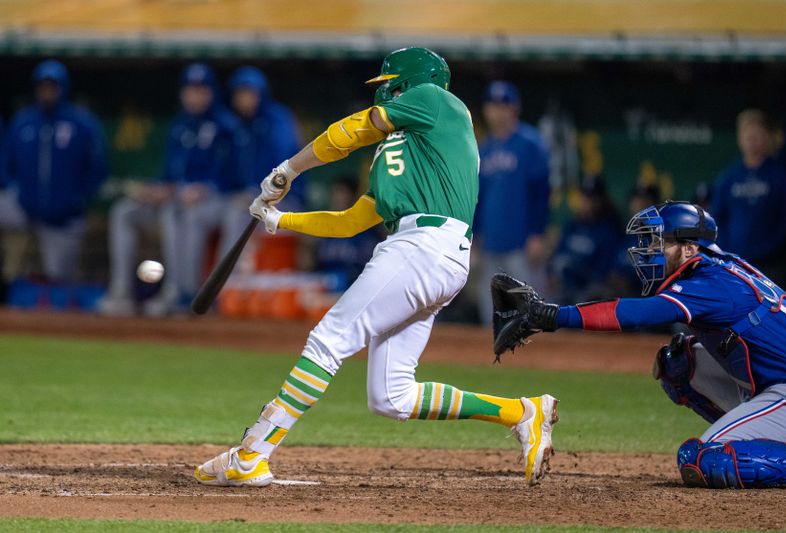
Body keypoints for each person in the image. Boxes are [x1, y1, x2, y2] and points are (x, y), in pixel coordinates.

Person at [194, 47, 559, 488]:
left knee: (328, 341)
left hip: (422, 247)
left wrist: (288, 170)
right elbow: (353, 219)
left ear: (408, 82)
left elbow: (356, 128)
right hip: (429, 253)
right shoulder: (407, 150)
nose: (384, 91)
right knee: (392, 396)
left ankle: (252, 453)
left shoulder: (436, 100)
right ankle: (521, 413)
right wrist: (278, 220)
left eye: (388, 84)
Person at [491, 201, 786, 489]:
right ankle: (757, 431)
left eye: (658, 242)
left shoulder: (712, 283)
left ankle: (760, 439)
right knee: (677, 364)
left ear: (690, 248)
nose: (648, 250)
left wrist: (552, 315)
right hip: (774, 382)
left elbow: (632, 314)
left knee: (704, 459)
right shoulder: (719, 268)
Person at [99, 63, 239, 316]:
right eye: (190, 89)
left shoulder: (225, 125)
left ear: (211, 92)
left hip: (214, 201)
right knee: (124, 211)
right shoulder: (179, 125)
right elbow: (168, 174)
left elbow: (233, 175)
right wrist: (156, 189)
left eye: (201, 89)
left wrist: (202, 188)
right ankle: (121, 292)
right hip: (176, 196)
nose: (195, 95)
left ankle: (178, 292)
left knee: (177, 212)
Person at [0, 59, 107, 283]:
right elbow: (6, 162)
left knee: (58, 281)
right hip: (22, 208)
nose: (47, 91)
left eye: (52, 86)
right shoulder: (23, 121)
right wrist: (16, 189)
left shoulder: (81, 123)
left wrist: (76, 200)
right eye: (43, 86)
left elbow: (97, 169)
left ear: (63, 87)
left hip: (63, 217)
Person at [475, 81, 550, 324]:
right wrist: (475, 235)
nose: (498, 111)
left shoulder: (530, 143)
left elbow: (541, 191)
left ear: (514, 108)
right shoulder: (483, 148)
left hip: (522, 243)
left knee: (531, 310)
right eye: (493, 105)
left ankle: (540, 360)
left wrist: (537, 233)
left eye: (503, 105)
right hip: (491, 243)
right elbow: (478, 197)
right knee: (492, 314)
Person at [710, 109, 786, 296]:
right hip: (736, 265)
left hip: (773, 267)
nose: (752, 141)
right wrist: (727, 252)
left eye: (757, 135)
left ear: (767, 138)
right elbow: (716, 218)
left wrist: (768, 250)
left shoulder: (780, 176)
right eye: (748, 135)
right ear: (740, 138)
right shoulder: (729, 177)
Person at [225, 66, 302, 251]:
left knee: (238, 214)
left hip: (286, 197)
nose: (243, 98)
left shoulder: (277, 120)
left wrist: (258, 192)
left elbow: (284, 167)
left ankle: (233, 277)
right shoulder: (240, 124)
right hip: (254, 195)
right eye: (240, 93)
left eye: (249, 92)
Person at [549, 175, 625, 303]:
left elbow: (603, 273)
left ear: (601, 200)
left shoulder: (609, 229)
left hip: (591, 289)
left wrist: (574, 270)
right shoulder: (572, 225)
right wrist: (551, 274)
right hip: (565, 287)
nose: (586, 202)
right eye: (584, 197)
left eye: (591, 198)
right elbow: (557, 254)